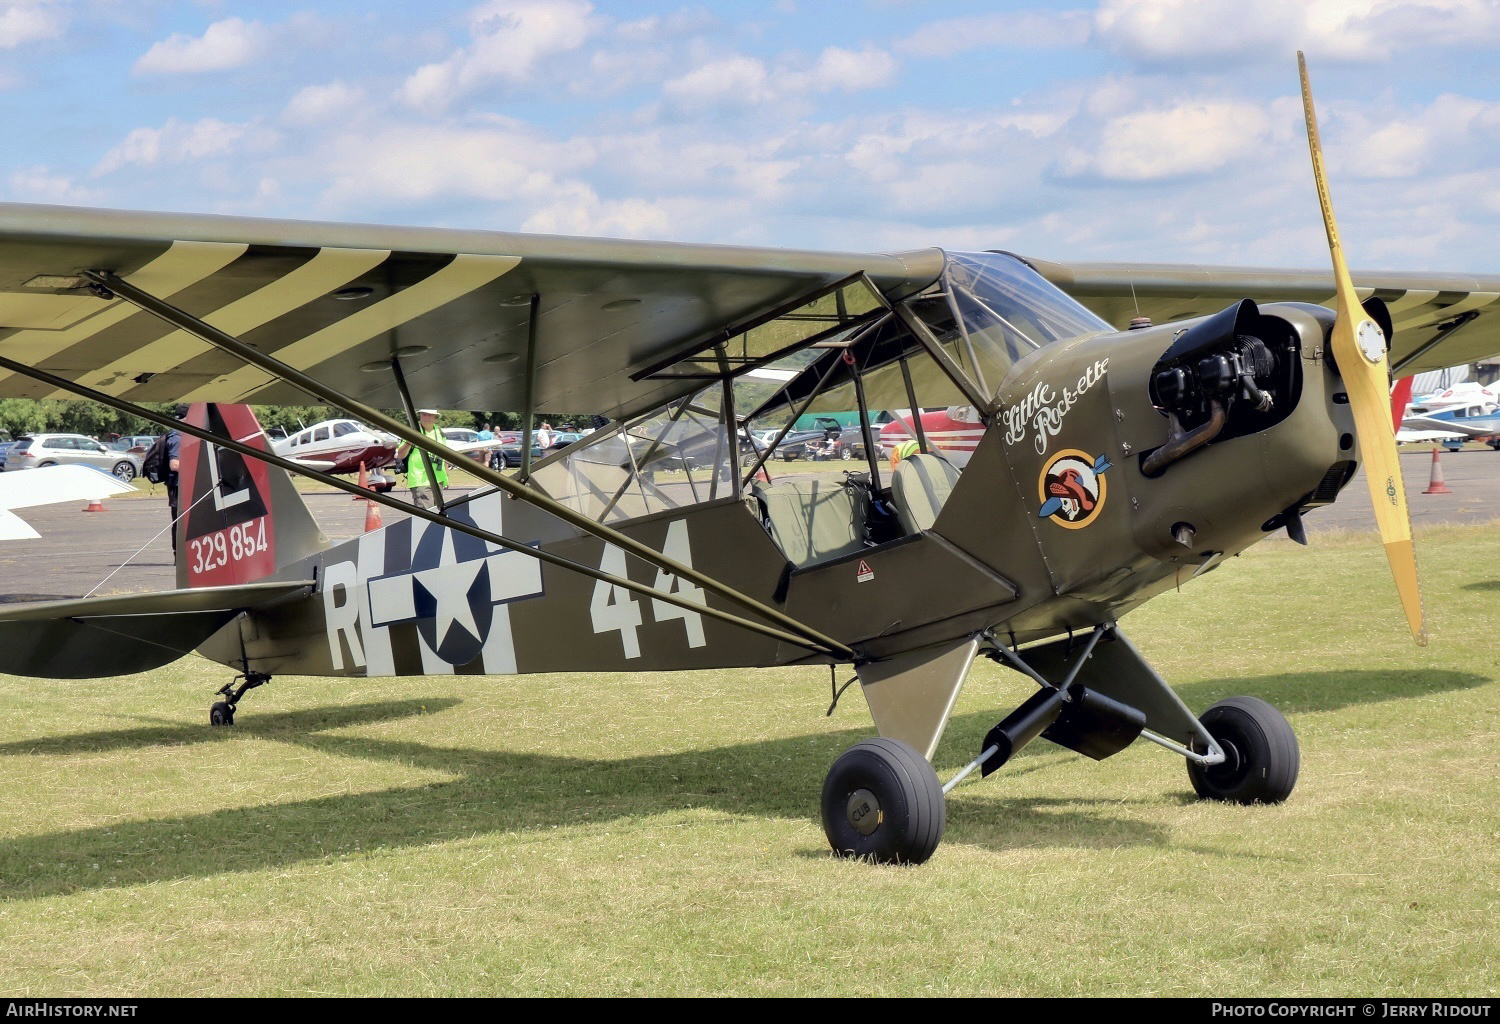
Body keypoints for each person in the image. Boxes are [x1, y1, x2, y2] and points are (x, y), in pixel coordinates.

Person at [395, 408, 450, 509]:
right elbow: (400, 455)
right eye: (424, 415)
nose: (427, 417)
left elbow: (445, 455)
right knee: (426, 510)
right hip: (419, 479)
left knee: (439, 511)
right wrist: (409, 441)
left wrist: (446, 476)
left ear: (435, 418)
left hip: (438, 478)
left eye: (430, 415)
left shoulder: (440, 432)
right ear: (420, 416)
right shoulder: (413, 431)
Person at [165, 404, 188, 552]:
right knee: (179, 521)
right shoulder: (177, 437)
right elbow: (174, 465)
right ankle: (178, 554)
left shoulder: (179, 434)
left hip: (180, 484)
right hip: (177, 485)